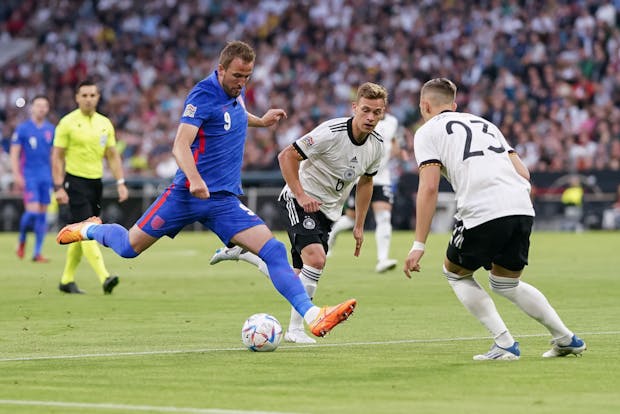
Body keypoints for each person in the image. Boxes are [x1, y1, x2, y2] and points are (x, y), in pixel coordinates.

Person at [55, 41, 356, 338]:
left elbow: (230, 117)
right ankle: (90, 229)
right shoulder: (202, 94)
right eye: (237, 76)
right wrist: (195, 178)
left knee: (274, 251)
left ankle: (314, 315)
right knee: (128, 248)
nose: (242, 82)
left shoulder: (235, 93)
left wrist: (260, 122)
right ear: (221, 69)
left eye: (247, 76)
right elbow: (180, 144)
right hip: (185, 195)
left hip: (222, 200)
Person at [404, 78, 586, 360]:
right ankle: (566, 338)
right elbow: (523, 173)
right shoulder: (486, 124)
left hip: (483, 208)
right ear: (454, 105)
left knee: (456, 273)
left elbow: (428, 188)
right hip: (521, 206)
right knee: (505, 283)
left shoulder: (427, 132)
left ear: (424, 105)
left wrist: (418, 244)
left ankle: (504, 344)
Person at [210, 82, 387, 343]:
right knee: (315, 260)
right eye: (366, 110)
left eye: (377, 112)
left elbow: (366, 182)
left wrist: (359, 224)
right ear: (354, 108)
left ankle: (245, 254)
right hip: (297, 199)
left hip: (328, 212)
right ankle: (296, 330)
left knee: (295, 277)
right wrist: (302, 195)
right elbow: (286, 156)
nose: (371, 117)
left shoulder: (377, 145)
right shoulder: (330, 131)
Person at [52, 79, 129, 295]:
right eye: (84, 95)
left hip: (96, 182)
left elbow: (113, 156)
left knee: (81, 232)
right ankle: (105, 277)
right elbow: (57, 157)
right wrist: (58, 186)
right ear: (77, 98)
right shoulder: (67, 123)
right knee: (88, 227)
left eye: (92, 95)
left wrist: (121, 182)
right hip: (74, 181)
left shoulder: (105, 123)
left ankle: (66, 280)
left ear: (98, 97)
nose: (88, 99)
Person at [327, 112, 402, 273]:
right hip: (360, 178)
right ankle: (330, 236)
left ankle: (382, 260)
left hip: (382, 178)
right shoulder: (360, 120)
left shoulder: (393, 122)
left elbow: (394, 141)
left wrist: (398, 151)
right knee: (349, 219)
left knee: (384, 217)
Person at [10, 95, 55, 262]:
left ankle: (37, 252)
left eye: (45, 105)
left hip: (46, 176)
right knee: (33, 211)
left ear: (48, 108)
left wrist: (56, 177)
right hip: (29, 175)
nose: (41, 108)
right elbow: (14, 153)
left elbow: (54, 155)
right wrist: (16, 175)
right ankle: (22, 239)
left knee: (43, 214)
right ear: (32, 108)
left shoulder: (51, 129)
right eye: (38, 105)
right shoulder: (23, 129)